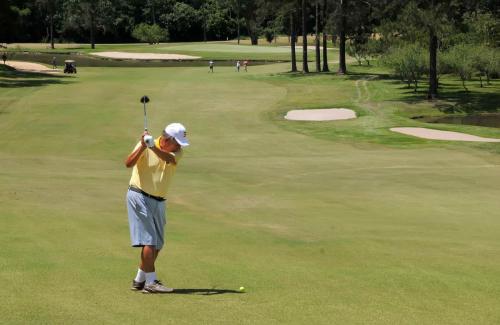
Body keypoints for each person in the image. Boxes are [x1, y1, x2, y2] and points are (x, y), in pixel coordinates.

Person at [125, 123, 189, 294]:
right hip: (139, 196)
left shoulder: (177, 152)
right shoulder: (144, 144)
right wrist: (142, 147)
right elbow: (128, 163)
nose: (179, 146)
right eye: (177, 142)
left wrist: (152, 146)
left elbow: (168, 158)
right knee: (150, 241)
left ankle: (140, 280)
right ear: (168, 139)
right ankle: (151, 282)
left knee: (157, 243)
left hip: (159, 201)